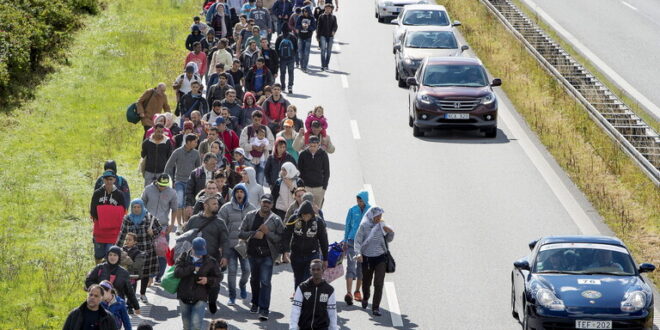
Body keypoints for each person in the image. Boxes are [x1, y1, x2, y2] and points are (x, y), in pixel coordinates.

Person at [238, 194, 285, 320]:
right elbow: (241, 233)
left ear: (272, 205)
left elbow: (281, 238)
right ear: (260, 202)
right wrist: (254, 234)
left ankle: (264, 309)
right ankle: (255, 303)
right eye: (264, 202)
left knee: (265, 282)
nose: (266, 204)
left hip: (267, 256)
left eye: (268, 203)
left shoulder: (276, 219)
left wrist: (267, 233)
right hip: (252, 254)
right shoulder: (250, 216)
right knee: (254, 280)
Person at [183, 196, 230, 314]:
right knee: (195, 282)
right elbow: (185, 238)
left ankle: (212, 301)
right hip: (195, 258)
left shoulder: (220, 222)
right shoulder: (193, 220)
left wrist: (225, 256)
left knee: (214, 283)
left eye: (217, 204)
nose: (217, 206)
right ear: (205, 206)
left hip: (213, 259)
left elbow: (225, 240)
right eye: (214, 204)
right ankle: (196, 305)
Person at [116, 199, 162, 305]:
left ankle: (142, 294)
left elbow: (159, 228)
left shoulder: (149, 217)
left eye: (138, 207)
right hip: (131, 251)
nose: (136, 209)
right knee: (133, 274)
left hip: (147, 250)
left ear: (142, 207)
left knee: (145, 274)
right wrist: (116, 249)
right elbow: (122, 234)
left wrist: (153, 232)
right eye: (134, 207)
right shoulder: (127, 218)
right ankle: (131, 297)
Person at [217, 183, 256, 305]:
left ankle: (242, 285)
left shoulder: (252, 208)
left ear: (245, 194)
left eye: (242, 192)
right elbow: (220, 227)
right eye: (237, 192)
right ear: (234, 193)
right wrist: (221, 245)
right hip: (230, 246)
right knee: (232, 271)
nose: (239, 194)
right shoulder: (226, 208)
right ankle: (232, 296)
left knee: (247, 270)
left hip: (245, 246)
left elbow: (256, 226)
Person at [175, 237, 222, 330]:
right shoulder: (184, 257)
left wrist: (207, 280)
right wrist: (192, 268)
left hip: (200, 296)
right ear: (192, 248)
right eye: (198, 252)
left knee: (196, 325)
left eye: (202, 252)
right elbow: (177, 272)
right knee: (187, 326)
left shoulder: (210, 261)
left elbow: (219, 277)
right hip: (184, 295)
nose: (200, 255)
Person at [354, 207, 394, 316]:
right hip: (367, 258)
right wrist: (358, 253)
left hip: (381, 257)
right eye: (377, 216)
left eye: (380, 216)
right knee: (366, 282)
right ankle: (366, 297)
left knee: (379, 283)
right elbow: (357, 241)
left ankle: (376, 308)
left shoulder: (382, 225)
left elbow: (389, 239)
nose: (379, 218)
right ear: (371, 216)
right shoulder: (364, 226)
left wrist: (390, 232)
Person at [283, 200, 328, 290]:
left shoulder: (318, 222)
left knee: (307, 279)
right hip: (296, 254)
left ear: (312, 214)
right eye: (303, 215)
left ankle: (306, 299)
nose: (306, 218)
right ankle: (298, 299)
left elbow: (323, 240)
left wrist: (325, 259)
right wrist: (285, 251)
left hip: (312, 255)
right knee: (298, 278)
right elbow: (286, 235)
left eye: (308, 215)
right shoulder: (293, 219)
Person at [85, 246, 141, 315]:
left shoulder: (124, 273)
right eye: (110, 255)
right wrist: (98, 290)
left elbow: (129, 292)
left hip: (116, 305)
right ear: (107, 256)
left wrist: (136, 307)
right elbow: (88, 281)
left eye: (115, 255)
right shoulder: (100, 268)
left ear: (119, 257)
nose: (112, 257)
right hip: (99, 303)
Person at [164, 134, 201, 230]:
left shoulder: (196, 153)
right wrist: (169, 180)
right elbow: (168, 166)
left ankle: (185, 225)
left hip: (190, 182)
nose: (196, 144)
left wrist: (197, 182)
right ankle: (179, 225)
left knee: (187, 204)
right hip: (179, 181)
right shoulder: (177, 152)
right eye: (195, 142)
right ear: (188, 142)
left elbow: (198, 169)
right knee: (179, 203)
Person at [289, 259, 338, 330]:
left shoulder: (329, 290)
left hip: (322, 327)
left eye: (318, 269)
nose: (316, 272)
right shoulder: (302, 287)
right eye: (313, 269)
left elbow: (332, 311)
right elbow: (296, 309)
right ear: (310, 271)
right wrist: (293, 327)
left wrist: (333, 328)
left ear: (323, 270)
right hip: (304, 327)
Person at [91, 171, 127, 264]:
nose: (108, 181)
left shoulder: (119, 194)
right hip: (99, 231)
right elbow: (93, 211)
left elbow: (123, 211)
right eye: (106, 179)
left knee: (111, 256)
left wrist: (104, 212)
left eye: (110, 179)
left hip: (113, 233)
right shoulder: (97, 193)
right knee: (98, 255)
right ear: (103, 180)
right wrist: (110, 214)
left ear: (114, 180)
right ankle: (98, 273)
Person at [342, 190, 370, 305]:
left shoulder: (370, 211)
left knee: (361, 268)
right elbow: (347, 225)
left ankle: (357, 291)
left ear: (365, 200)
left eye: (361, 200)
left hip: (365, 243)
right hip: (352, 242)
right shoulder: (352, 210)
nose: (359, 202)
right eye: (358, 199)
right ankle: (348, 293)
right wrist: (345, 240)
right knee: (351, 267)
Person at [297, 136, 329, 208]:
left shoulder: (323, 155)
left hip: (319, 187)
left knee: (317, 209)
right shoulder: (303, 154)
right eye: (311, 146)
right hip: (306, 187)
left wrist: (324, 187)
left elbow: (327, 172)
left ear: (318, 145)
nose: (312, 148)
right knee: (305, 208)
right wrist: (301, 187)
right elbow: (299, 171)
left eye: (314, 146)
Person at [274, 24, 297, 94]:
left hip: (282, 58)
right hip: (291, 58)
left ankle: (283, 86)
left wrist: (279, 56)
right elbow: (296, 47)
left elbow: (276, 48)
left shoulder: (279, 37)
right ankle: (290, 86)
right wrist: (293, 54)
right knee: (291, 72)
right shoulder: (293, 36)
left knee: (282, 73)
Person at [317, 4, 337, 71]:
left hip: (330, 36)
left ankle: (326, 65)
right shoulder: (321, 16)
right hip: (323, 35)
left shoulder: (333, 17)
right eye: (327, 8)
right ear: (325, 9)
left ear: (331, 9)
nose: (328, 9)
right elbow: (318, 27)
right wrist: (318, 36)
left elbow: (335, 26)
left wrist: (334, 31)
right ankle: (323, 65)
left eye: (329, 8)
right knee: (323, 50)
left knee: (329, 51)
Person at [295, 7, 315, 73]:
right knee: (300, 52)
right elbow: (296, 26)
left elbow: (314, 27)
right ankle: (301, 65)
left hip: (308, 37)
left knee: (306, 53)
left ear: (309, 12)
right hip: (300, 37)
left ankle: (305, 66)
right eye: (304, 11)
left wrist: (308, 27)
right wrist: (302, 27)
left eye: (307, 11)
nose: (305, 13)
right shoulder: (300, 17)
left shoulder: (312, 18)